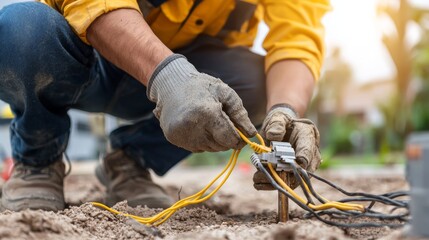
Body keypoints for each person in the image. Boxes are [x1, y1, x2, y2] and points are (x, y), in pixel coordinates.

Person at [0, 0, 329, 211]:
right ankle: (37, 161)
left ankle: (129, 160)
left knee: (257, 82)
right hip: (83, 58)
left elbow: (297, 38)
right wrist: (169, 76)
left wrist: (285, 110)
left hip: (184, 87)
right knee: (22, 28)